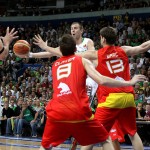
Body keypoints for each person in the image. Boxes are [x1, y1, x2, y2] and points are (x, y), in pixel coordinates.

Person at [30, 27, 150, 150]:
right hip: (128, 96)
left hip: (110, 98)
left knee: (96, 137)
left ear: (102, 39)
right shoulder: (123, 50)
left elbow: (68, 54)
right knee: (132, 133)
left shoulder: (96, 54)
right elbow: (143, 47)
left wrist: (44, 48)